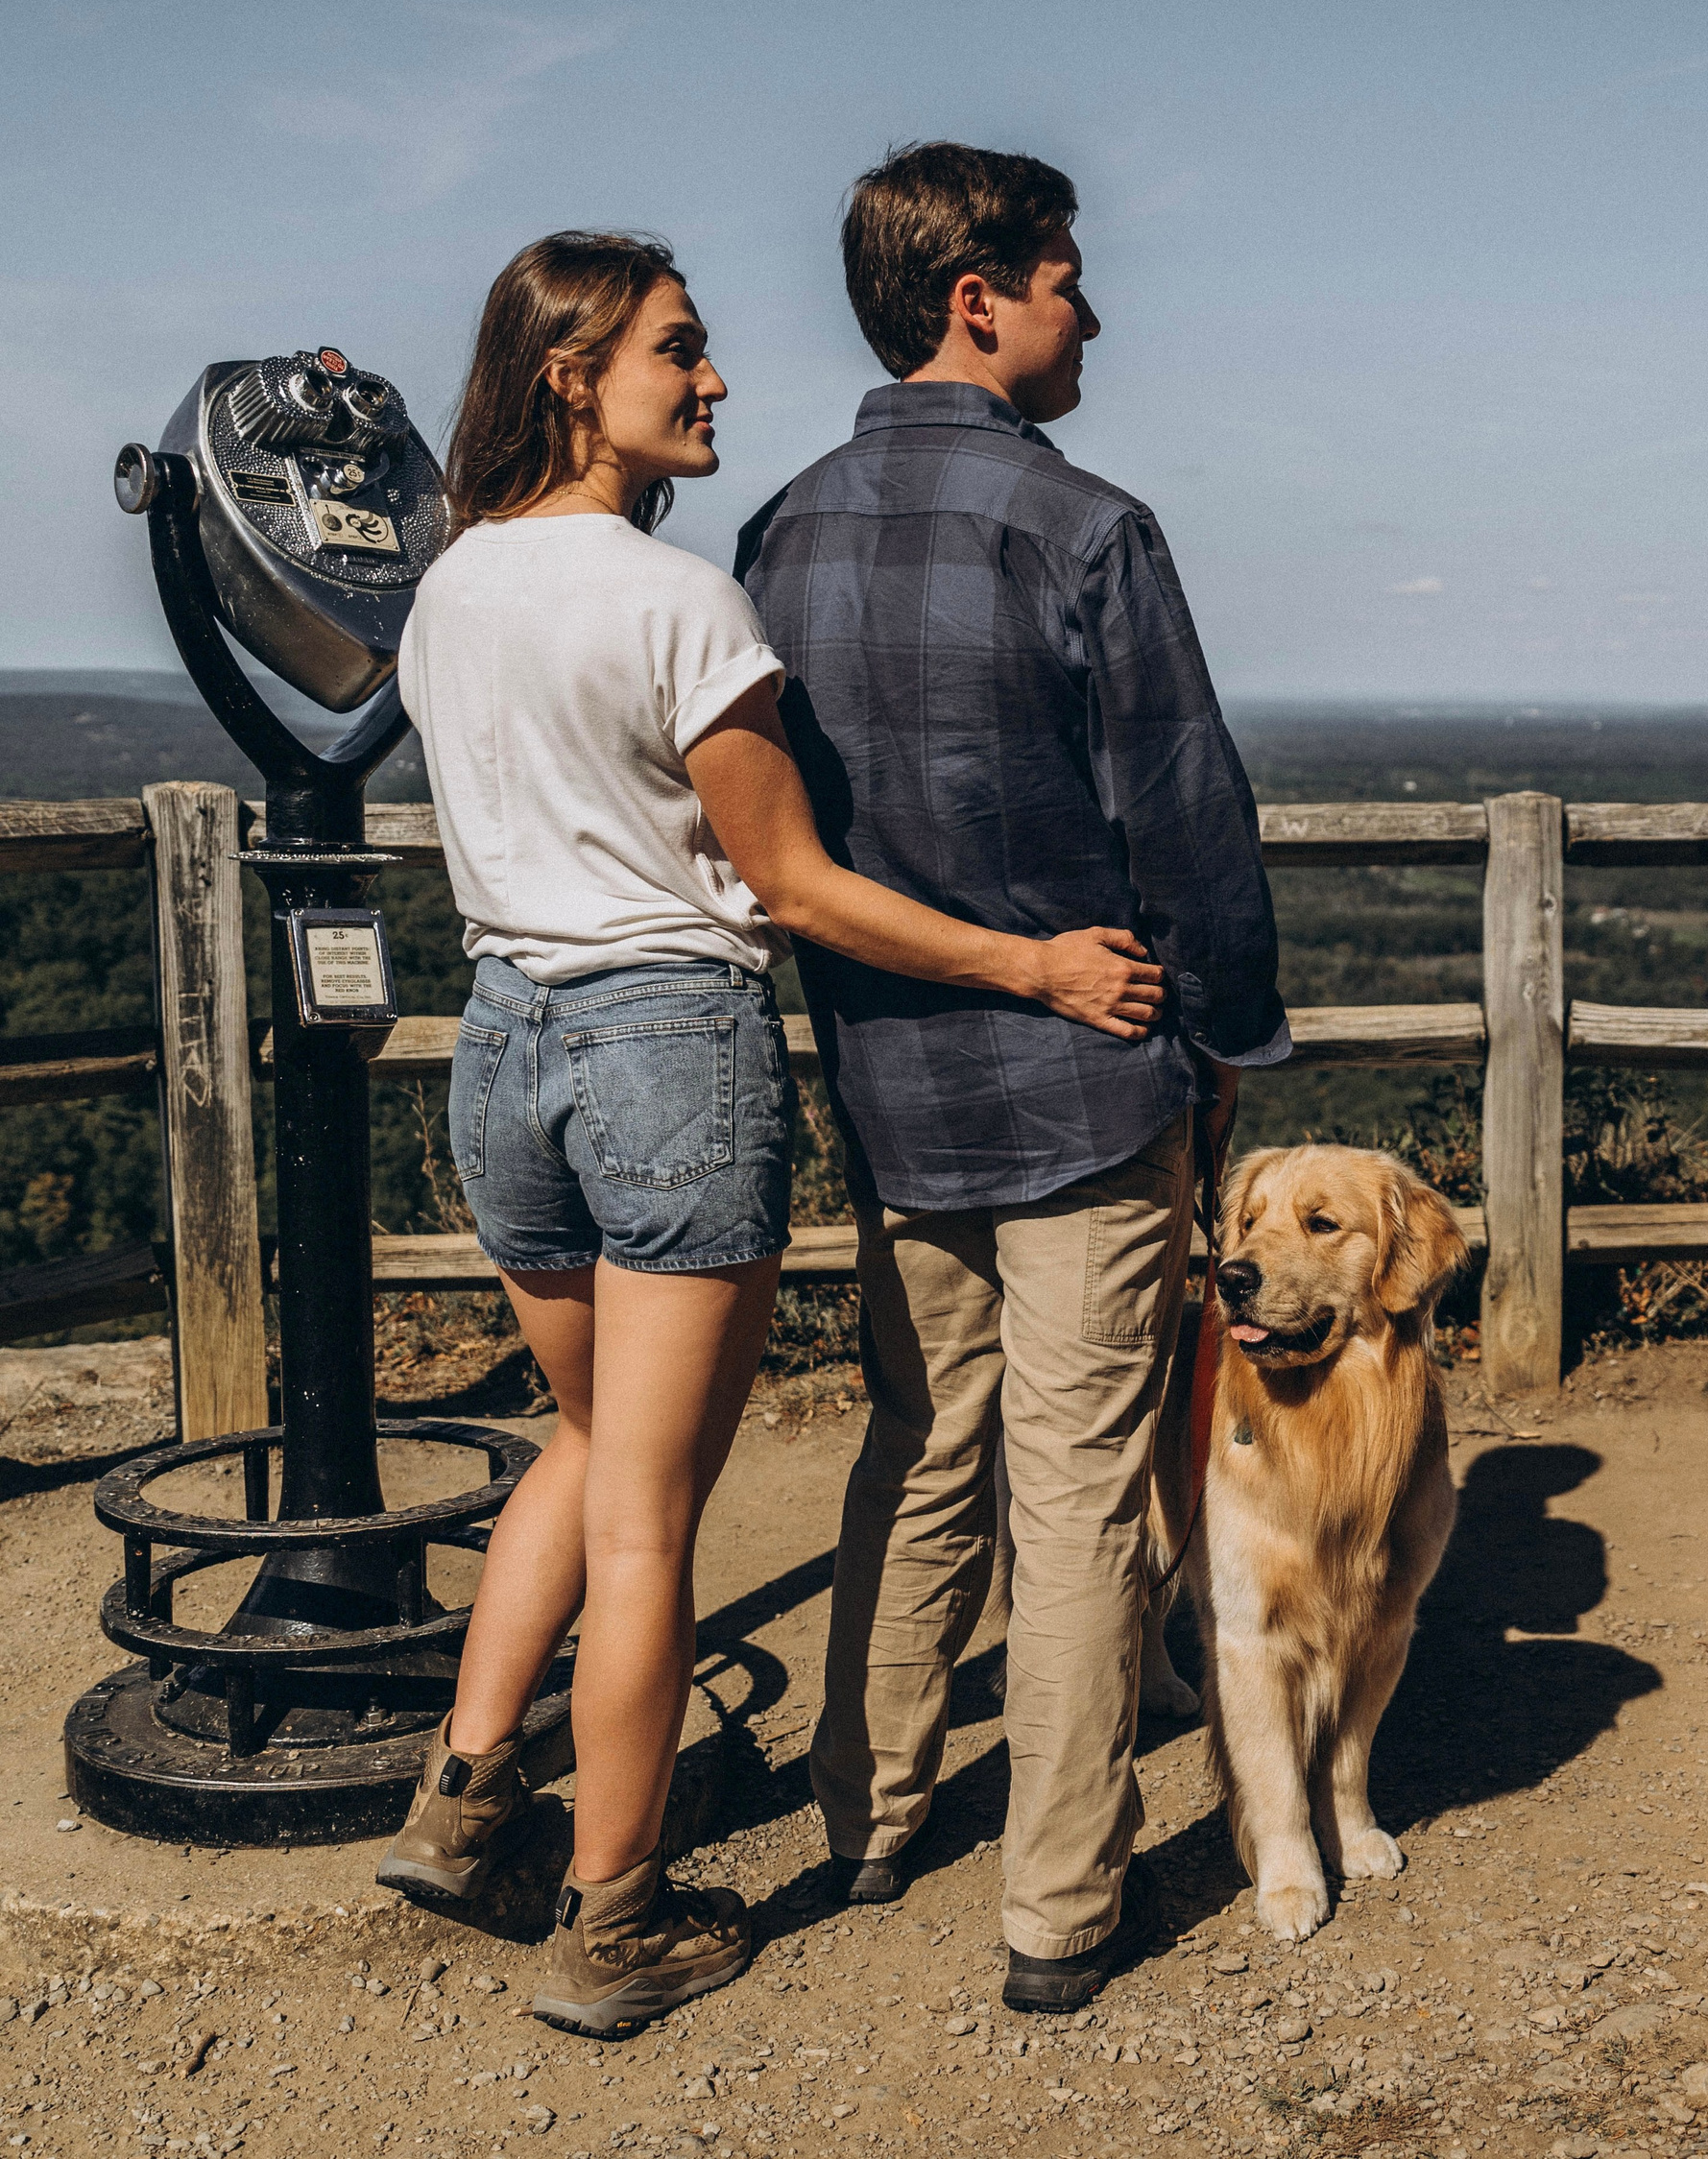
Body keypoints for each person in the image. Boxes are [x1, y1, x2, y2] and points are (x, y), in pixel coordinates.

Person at [380, 229, 1163, 2040]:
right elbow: (796, 884)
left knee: (579, 1449)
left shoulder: (450, 591)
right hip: (662, 1046)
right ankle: (616, 1915)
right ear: (574, 374)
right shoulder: (675, 605)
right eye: (679, 350)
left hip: (504, 1047)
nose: (715, 378)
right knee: (651, 1515)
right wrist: (1035, 966)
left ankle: (467, 1796)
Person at [736, 142, 1290, 2011]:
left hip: (891, 1098)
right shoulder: (1087, 533)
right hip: (1081, 1078)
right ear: (977, 298)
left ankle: (867, 1808)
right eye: (1067, 276)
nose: (1093, 307)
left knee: (915, 1448)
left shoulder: (774, 535)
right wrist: (1227, 1044)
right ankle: (1060, 1898)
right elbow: (1190, 821)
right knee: (1072, 1488)